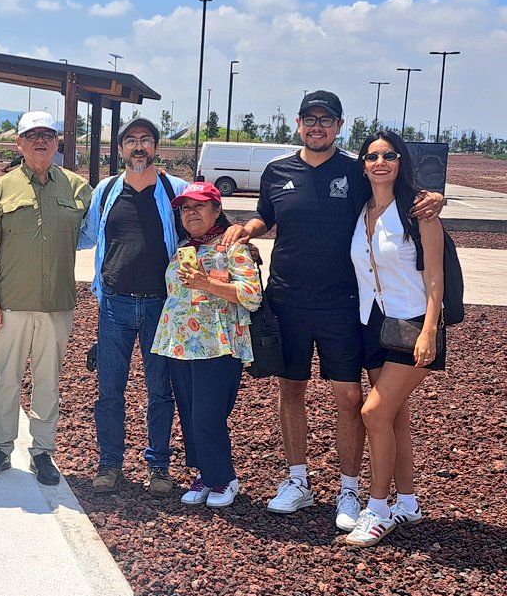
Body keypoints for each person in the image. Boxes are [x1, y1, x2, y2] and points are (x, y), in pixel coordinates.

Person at [223, 90, 443, 530]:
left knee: (349, 397)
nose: (317, 126)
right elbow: (267, 214)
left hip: (344, 305)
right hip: (285, 299)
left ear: (340, 126)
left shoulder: (356, 170)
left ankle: (348, 489)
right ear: (299, 124)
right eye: (310, 119)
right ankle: (298, 481)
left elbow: (399, 192)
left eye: (327, 119)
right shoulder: (276, 171)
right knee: (291, 390)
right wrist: (247, 228)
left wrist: (435, 199)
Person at [0, 111, 92, 486]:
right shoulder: (2, 189)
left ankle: (43, 453)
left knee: (48, 382)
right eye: (32, 135)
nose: (40, 141)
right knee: (6, 381)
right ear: (19, 143)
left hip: (58, 305)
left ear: (57, 142)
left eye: (47, 135)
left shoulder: (77, 189)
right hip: (10, 305)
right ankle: (0, 448)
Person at [77, 116, 188, 496]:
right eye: (131, 140)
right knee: (110, 390)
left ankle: (158, 467)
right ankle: (109, 464)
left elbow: (208, 226)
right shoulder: (106, 191)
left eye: (145, 140)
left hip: (162, 305)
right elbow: (83, 235)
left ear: (156, 147)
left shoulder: (176, 190)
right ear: (120, 148)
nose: (138, 147)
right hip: (114, 306)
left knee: (160, 390)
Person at [345, 131, 445, 546]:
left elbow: (435, 277)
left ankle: (378, 508)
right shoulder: (360, 208)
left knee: (373, 414)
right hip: (373, 324)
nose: (380, 162)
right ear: (364, 164)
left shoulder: (420, 211)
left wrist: (430, 331)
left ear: (401, 161)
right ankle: (408, 502)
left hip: (412, 326)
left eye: (389, 155)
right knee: (393, 416)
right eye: (372, 156)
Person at [150, 183, 261, 508]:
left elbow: (252, 296)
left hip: (217, 345)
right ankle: (204, 474)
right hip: (180, 345)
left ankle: (223, 478)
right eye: (185, 208)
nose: (192, 213)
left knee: (207, 416)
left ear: (216, 211)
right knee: (189, 414)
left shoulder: (232, 247)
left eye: (199, 206)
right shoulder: (184, 246)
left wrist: (206, 283)